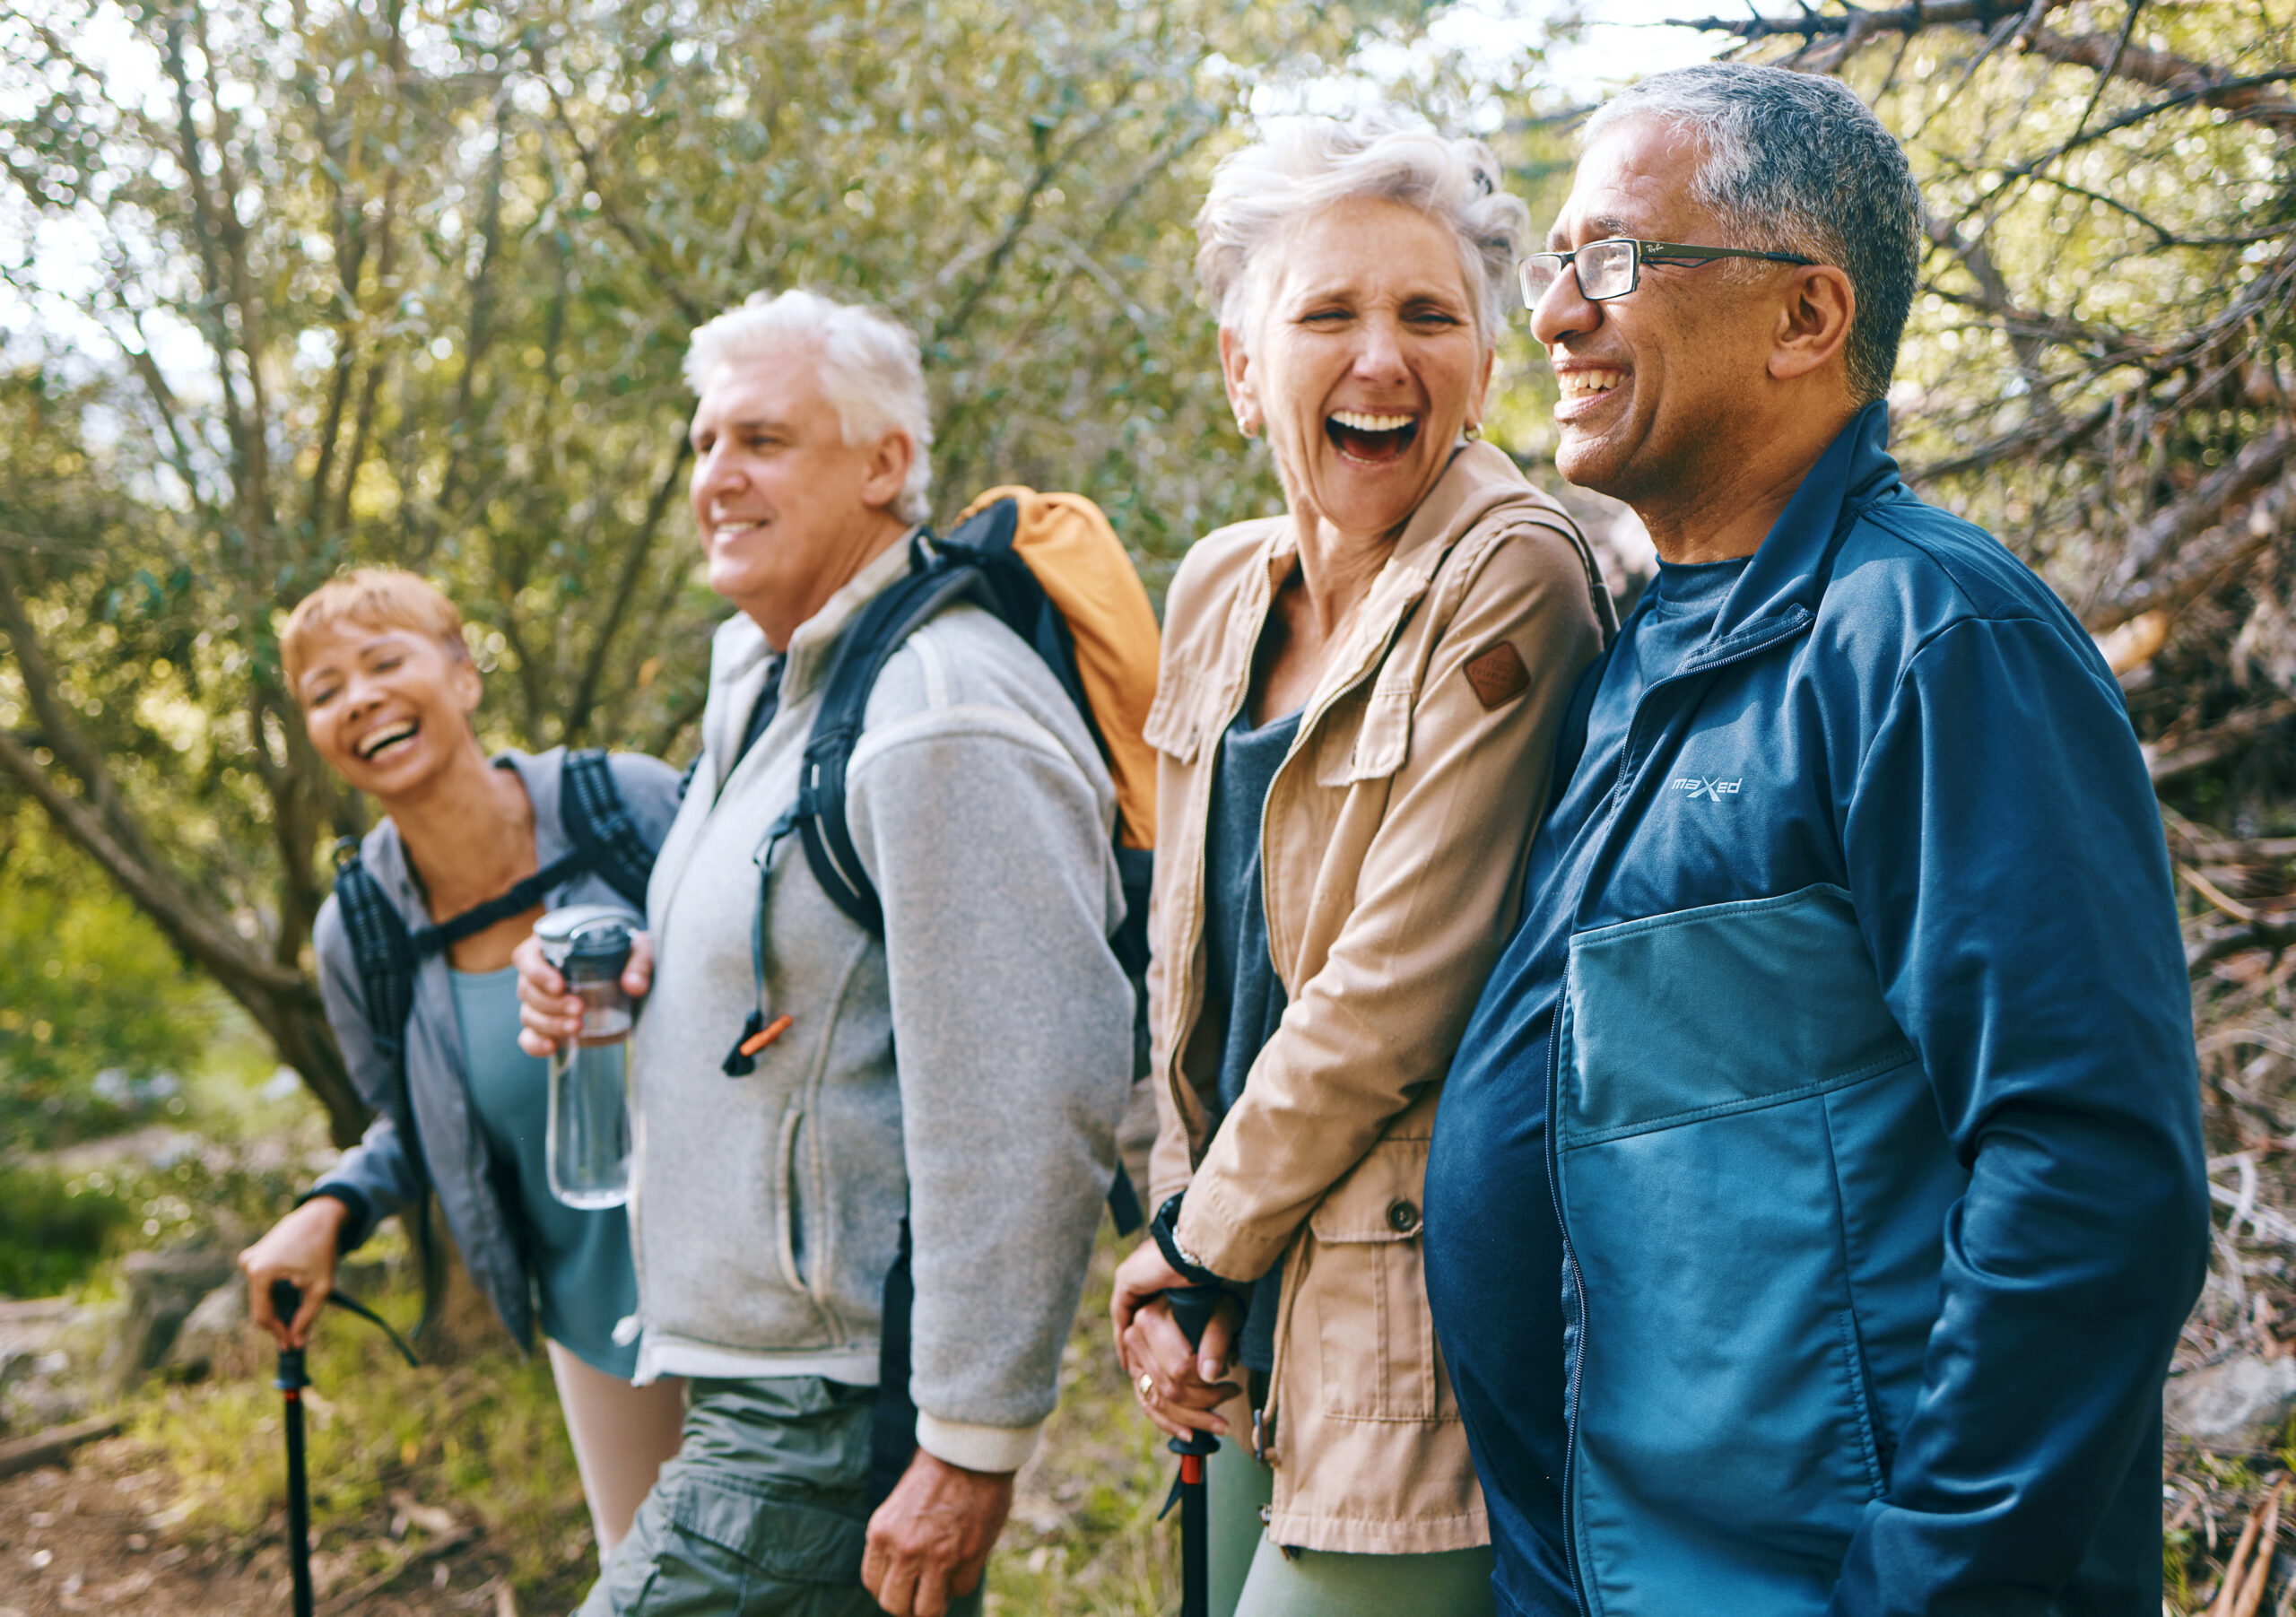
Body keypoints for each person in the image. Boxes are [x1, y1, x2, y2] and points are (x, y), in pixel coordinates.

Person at [1420, 61, 2212, 1617]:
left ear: (1806, 319)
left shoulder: (1927, 636)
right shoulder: (1648, 647)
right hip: (1611, 1573)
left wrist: (1919, 1589)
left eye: (1620, 259)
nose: (1563, 313)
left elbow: (2093, 1176)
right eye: (1554, 263)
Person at [513, 288, 1135, 1617]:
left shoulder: (936, 707)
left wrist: (968, 1443)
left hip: (823, 1413)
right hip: (750, 1376)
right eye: (701, 444)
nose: (716, 476)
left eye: (762, 440)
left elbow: (1035, 1087)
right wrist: (636, 976)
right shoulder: (772, 681)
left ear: (886, 463)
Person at [1107, 113, 1608, 1617]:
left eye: (1428, 314)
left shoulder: (1515, 571)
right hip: (1241, 1276)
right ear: (1241, 367)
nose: (1381, 357)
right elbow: (1184, 964)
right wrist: (1183, 1239)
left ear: (1488, 364)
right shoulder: (1212, 586)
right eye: (1326, 312)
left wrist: (1191, 1240)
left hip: (1408, 1322)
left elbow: (1396, 990)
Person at [235, 568, 688, 1561]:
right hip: (593, 1316)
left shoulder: (628, 804)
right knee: (651, 1579)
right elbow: (416, 1124)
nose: (357, 698)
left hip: (757, 1277)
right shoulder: (361, 930)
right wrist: (331, 1208)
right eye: (324, 691)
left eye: (384, 663)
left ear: (464, 677)